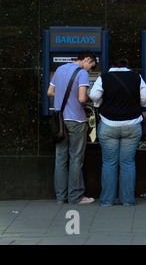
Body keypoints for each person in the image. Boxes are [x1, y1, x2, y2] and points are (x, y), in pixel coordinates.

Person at [89, 59, 146, 206]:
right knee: (128, 162)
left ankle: (107, 201)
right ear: (127, 66)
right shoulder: (137, 77)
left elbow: (94, 96)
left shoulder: (103, 77)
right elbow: (145, 99)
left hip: (109, 124)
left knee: (109, 163)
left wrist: (100, 103)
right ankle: (128, 200)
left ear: (112, 66)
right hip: (132, 124)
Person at [47, 50, 97, 204]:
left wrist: (64, 96)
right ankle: (75, 196)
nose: (90, 70)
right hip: (76, 120)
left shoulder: (60, 69)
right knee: (75, 159)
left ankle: (61, 197)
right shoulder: (82, 73)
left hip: (60, 120)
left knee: (61, 158)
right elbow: (82, 98)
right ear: (87, 59)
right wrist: (88, 98)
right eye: (91, 67)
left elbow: (50, 92)